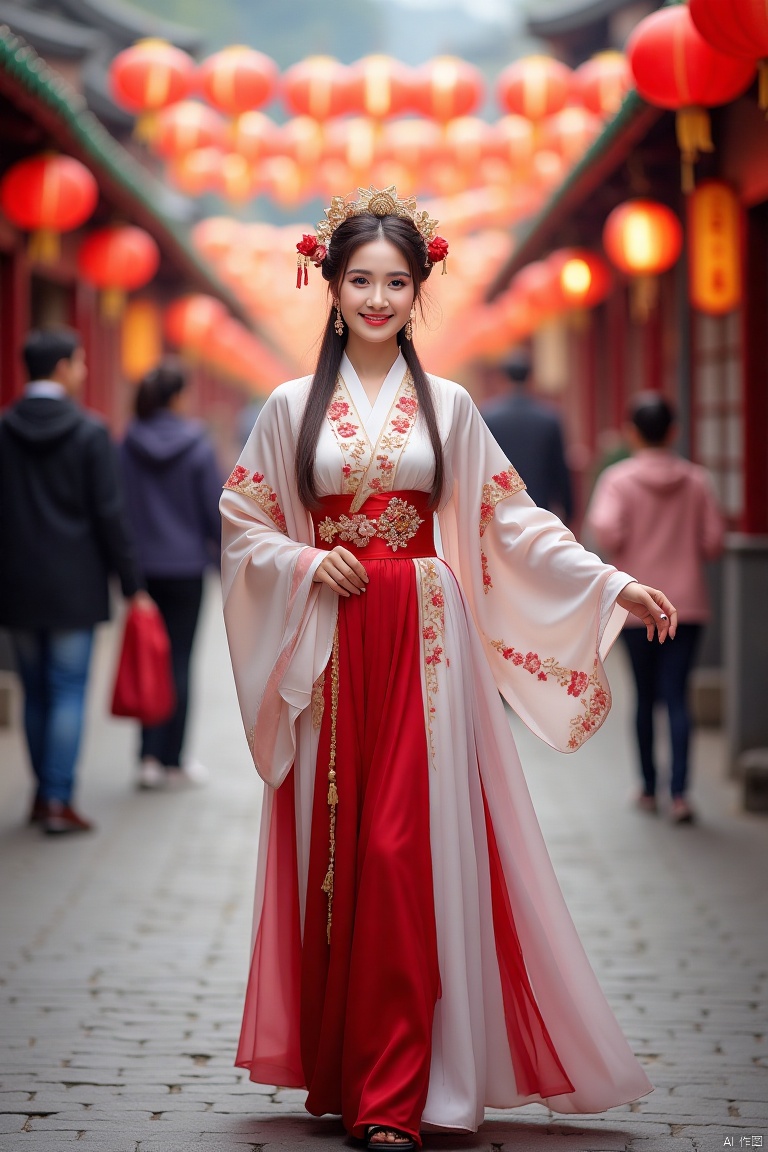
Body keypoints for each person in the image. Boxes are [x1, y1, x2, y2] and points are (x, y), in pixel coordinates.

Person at [220, 188, 677, 1151]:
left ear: (419, 291)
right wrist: (307, 561)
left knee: (402, 853)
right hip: (335, 641)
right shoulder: (288, 408)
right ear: (332, 288)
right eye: (360, 281)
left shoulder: (452, 407)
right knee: (342, 858)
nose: (377, 298)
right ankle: (356, 1074)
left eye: (395, 282)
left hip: (428, 642)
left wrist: (608, 583)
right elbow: (244, 523)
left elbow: (510, 522)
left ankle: (405, 1089)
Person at [0, 327, 145, 834]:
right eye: (80, 363)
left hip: (14, 580)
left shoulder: (4, 429)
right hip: (73, 582)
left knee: (35, 691)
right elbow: (110, 514)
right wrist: (132, 584)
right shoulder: (90, 432)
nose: (84, 371)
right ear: (62, 367)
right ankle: (58, 799)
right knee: (66, 690)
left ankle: (43, 797)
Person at [586, 394, 724, 824]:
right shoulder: (697, 480)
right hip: (688, 606)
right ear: (674, 431)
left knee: (645, 697)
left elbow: (606, 532)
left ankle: (648, 788)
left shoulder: (618, 479)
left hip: (637, 605)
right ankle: (681, 793)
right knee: (677, 696)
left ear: (631, 433)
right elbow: (714, 542)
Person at [120, 359, 223, 790]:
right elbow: (213, 512)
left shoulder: (125, 444)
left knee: (148, 657)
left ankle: (147, 756)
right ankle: (174, 759)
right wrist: (223, 561)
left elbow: (117, 507)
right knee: (179, 659)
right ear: (178, 397)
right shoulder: (197, 446)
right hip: (185, 568)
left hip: (142, 568)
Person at [481, 349, 574, 522]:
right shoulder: (549, 418)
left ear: (503, 378)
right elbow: (560, 469)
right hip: (539, 507)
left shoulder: (488, 417)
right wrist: (569, 510)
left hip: (500, 508)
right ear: (531, 378)